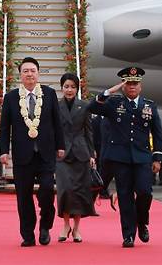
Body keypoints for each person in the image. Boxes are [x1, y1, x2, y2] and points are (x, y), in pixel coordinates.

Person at [88, 66, 162, 248]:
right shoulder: (114, 103)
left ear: (140, 86)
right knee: (125, 196)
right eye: (128, 83)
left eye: (135, 83)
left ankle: (141, 222)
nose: (132, 86)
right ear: (123, 86)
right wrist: (108, 92)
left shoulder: (149, 105)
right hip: (120, 158)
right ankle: (128, 235)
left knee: (145, 192)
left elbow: (158, 133)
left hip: (142, 157)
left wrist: (157, 158)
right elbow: (92, 107)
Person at [0, 57, 65, 247]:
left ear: (38, 73)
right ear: (20, 75)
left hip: (46, 152)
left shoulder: (49, 94)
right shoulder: (11, 97)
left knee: (46, 190)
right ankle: (28, 234)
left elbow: (57, 123)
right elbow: (5, 127)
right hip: (22, 154)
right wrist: (3, 151)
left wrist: (60, 146)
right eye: (26, 71)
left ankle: (45, 226)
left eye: (33, 70)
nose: (29, 74)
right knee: (23, 196)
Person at [55, 73, 97, 243]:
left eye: (72, 87)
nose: (69, 90)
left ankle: (77, 229)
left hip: (81, 152)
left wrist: (92, 154)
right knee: (65, 190)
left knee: (79, 191)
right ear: (62, 88)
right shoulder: (56, 106)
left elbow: (89, 132)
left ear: (77, 89)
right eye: (66, 86)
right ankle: (66, 225)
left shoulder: (84, 106)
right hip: (62, 153)